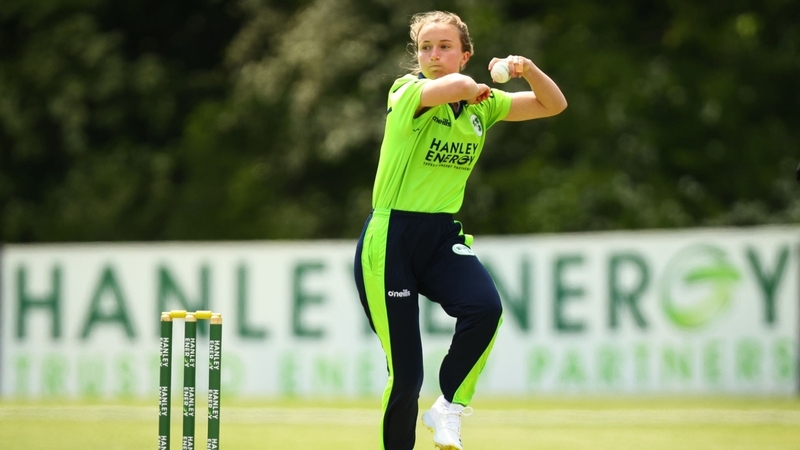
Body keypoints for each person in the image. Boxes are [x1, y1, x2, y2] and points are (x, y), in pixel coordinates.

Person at [353, 10, 567, 450]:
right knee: (407, 375)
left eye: (445, 47)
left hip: (439, 238)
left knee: (485, 308)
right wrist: (475, 87)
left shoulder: (481, 107)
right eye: (425, 47)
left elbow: (553, 104)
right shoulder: (407, 91)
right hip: (390, 239)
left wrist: (526, 69)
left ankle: (449, 407)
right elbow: (455, 88)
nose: (433, 55)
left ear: (465, 54)